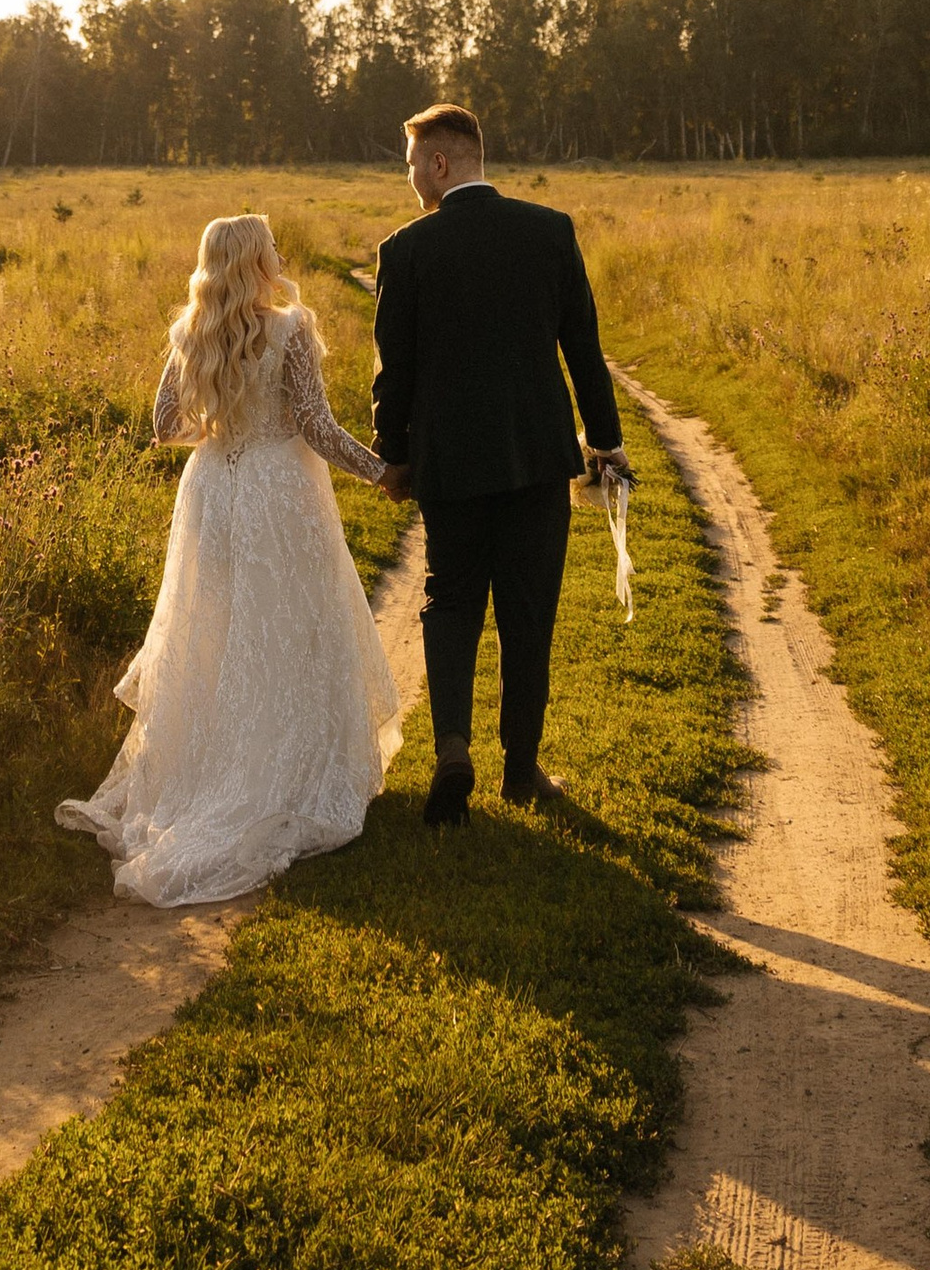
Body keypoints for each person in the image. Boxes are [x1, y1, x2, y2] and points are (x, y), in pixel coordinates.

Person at [57, 212, 402, 905]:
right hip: (279, 491)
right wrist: (381, 471)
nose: (280, 252)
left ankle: (208, 771)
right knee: (291, 627)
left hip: (212, 491)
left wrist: (221, 435)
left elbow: (162, 425)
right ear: (254, 260)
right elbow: (314, 424)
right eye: (271, 245)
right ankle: (288, 776)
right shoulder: (290, 328)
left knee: (213, 634)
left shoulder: (190, 332)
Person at [370, 102, 626, 824]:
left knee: (449, 601)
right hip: (537, 458)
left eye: (412, 161)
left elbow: (396, 371)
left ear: (441, 164)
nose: (409, 174)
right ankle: (521, 768)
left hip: (450, 467)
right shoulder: (550, 232)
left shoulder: (406, 250)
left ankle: (453, 745)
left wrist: (395, 454)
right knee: (528, 612)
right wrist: (605, 442)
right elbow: (583, 349)